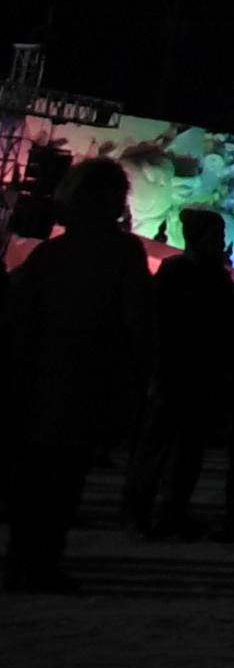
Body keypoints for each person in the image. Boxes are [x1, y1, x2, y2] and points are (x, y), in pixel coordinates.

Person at [3, 161, 159, 592]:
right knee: (62, 481)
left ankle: (22, 560)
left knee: (34, 479)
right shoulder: (122, 253)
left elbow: (20, 318)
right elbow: (137, 321)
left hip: (37, 380)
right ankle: (42, 564)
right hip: (86, 381)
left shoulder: (51, 254)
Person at [132, 207, 234, 538]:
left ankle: (173, 509)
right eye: (216, 236)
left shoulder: (216, 276)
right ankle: (141, 509)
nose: (220, 242)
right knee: (159, 445)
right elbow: (160, 322)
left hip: (201, 373)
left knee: (188, 449)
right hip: (175, 370)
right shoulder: (176, 272)